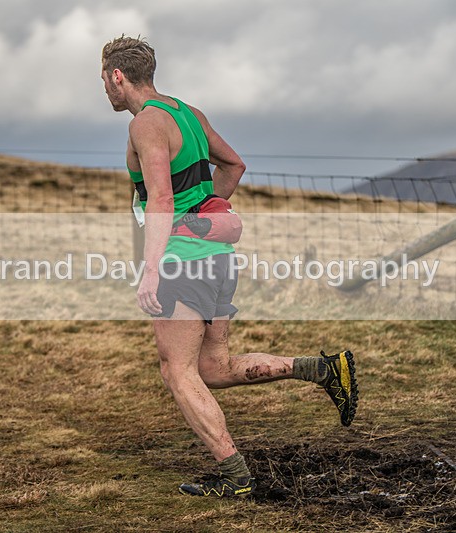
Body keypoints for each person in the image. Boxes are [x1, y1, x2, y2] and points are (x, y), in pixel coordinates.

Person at [101, 35, 358, 498]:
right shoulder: (189, 114)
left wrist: (154, 267)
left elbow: (160, 198)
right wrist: (207, 215)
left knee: (177, 371)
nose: (104, 88)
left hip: (183, 265)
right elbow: (234, 166)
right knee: (214, 366)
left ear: (117, 76)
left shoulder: (147, 125)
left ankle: (235, 478)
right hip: (218, 260)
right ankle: (322, 370)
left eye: (104, 79)